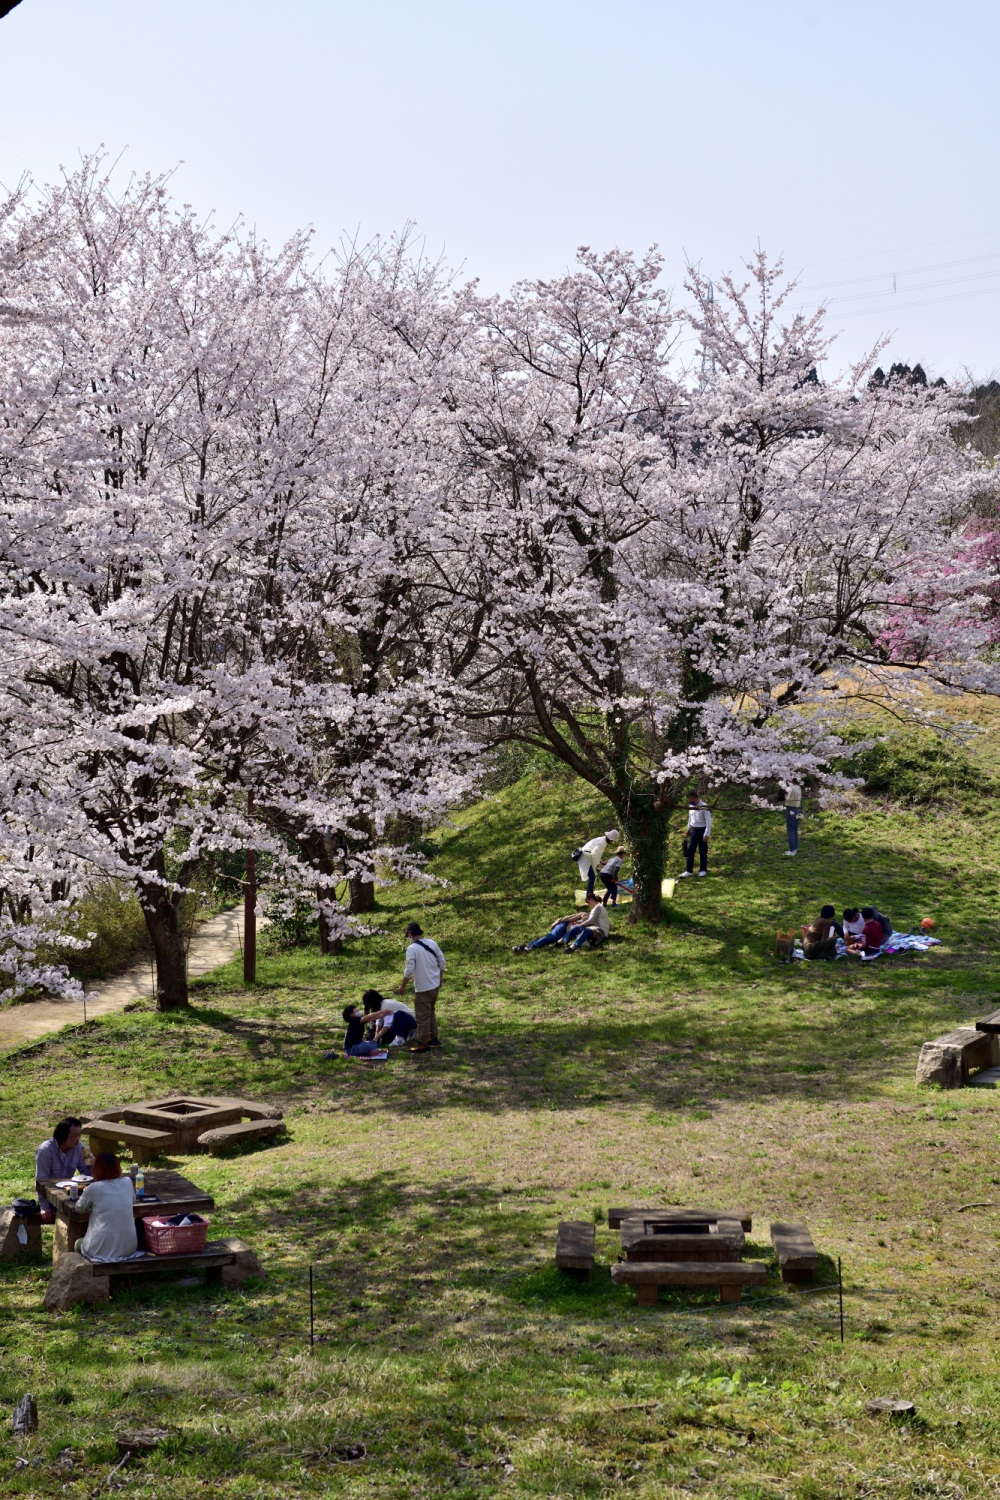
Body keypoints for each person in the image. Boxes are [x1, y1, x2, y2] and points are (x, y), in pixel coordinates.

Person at [74, 1152, 138, 1262]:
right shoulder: (128, 1182)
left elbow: (79, 1208)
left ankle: (84, 1271)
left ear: (96, 1169)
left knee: (78, 1243)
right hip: (129, 1248)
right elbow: (132, 1200)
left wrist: (86, 1194)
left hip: (99, 1249)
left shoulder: (93, 1188)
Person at [398, 922, 446, 1053]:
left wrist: (403, 985)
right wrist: (440, 977)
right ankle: (433, 1037)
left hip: (423, 987)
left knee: (422, 1017)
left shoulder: (412, 948)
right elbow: (442, 961)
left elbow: (409, 969)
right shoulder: (432, 943)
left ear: (410, 934)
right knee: (430, 1011)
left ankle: (423, 1043)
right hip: (435, 984)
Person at [35, 1117, 87, 1223]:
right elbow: (41, 1180)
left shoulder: (79, 1147)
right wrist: (44, 1206)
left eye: (79, 1135)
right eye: (74, 1135)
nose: (78, 1139)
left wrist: (91, 1165)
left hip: (69, 1193)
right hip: (51, 1196)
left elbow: (86, 1174)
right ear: (63, 1135)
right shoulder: (46, 1150)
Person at [573, 828, 620, 897]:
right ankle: (590, 896)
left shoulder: (602, 840)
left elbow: (595, 853)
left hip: (587, 856)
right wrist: (600, 864)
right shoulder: (602, 843)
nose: (612, 842)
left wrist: (600, 862)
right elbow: (594, 853)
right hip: (585, 857)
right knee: (592, 877)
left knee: (592, 877)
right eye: (612, 841)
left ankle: (589, 895)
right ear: (611, 839)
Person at [513, 909, 582, 952]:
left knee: (553, 939)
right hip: (565, 925)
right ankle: (532, 946)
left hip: (568, 933)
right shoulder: (585, 914)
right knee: (553, 936)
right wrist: (557, 921)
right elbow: (568, 918)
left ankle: (524, 946)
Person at [679, 791, 711, 878]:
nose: (690, 801)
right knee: (690, 850)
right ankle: (689, 870)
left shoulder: (704, 806)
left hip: (702, 830)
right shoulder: (691, 806)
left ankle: (703, 870)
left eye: (691, 799)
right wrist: (688, 829)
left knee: (702, 851)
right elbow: (690, 819)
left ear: (696, 798)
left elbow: (708, 821)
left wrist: (707, 833)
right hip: (694, 830)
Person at [783, 783, 802, 856]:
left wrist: (784, 793)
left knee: (790, 830)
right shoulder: (798, 788)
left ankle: (791, 851)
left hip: (790, 809)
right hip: (796, 809)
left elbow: (787, 798)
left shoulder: (790, 788)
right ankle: (794, 849)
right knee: (794, 830)